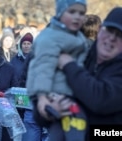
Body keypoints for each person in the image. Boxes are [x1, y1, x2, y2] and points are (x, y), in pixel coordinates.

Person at [32, 7, 122, 141]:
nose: (112, 38)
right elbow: (43, 109)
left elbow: (100, 99)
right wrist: (48, 109)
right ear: (100, 30)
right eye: (109, 31)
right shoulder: (83, 57)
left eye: (120, 36)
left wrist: (68, 65)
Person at [26, 0, 88, 140]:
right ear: (60, 13)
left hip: (71, 93)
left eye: (81, 13)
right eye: (71, 12)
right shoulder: (50, 38)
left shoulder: (77, 36)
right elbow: (42, 68)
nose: (77, 17)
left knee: (59, 132)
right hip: (60, 97)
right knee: (75, 128)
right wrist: (41, 97)